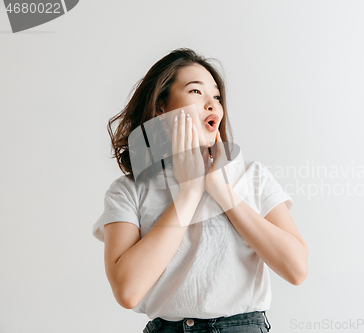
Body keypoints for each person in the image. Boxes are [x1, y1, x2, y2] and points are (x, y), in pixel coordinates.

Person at [92, 48, 308, 333]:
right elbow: (127, 291)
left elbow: (296, 269)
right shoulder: (128, 191)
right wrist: (190, 192)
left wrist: (222, 191)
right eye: (196, 91)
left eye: (217, 97)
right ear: (161, 106)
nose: (212, 105)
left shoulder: (252, 176)